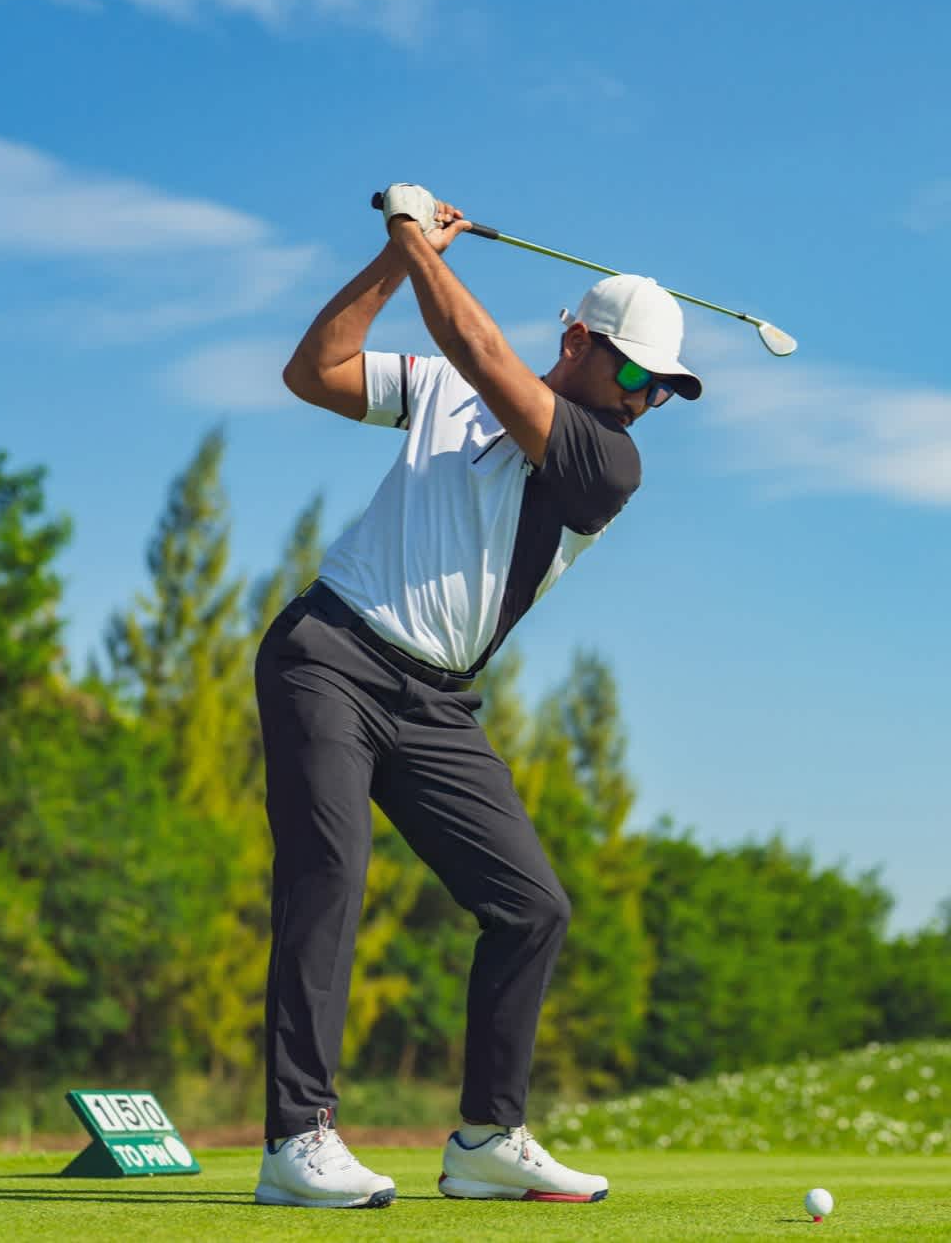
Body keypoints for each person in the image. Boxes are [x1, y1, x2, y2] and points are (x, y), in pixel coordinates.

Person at [250, 183, 701, 1208]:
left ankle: (488, 1135)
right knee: (329, 872)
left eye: (664, 387)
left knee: (531, 906)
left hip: (435, 705)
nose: (644, 398)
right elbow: (311, 371)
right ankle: (296, 1138)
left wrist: (416, 241)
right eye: (635, 369)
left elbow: (488, 359)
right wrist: (392, 259)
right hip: (329, 654)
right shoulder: (445, 394)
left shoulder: (608, 463)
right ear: (579, 339)